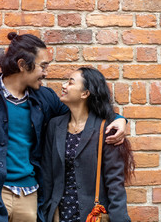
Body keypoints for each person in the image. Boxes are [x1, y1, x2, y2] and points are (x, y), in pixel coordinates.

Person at [0, 33, 127, 222]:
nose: (46, 73)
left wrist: (119, 118)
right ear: (23, 65)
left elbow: (81, 111)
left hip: (30, 196)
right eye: (43, 66)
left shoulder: (44, 98)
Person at [42, 67, 134, 222]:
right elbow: (46, 176)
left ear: (85, 93)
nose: (64, 86)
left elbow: (115, 183)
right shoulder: (54, 125)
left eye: (70, 83)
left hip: (91, 216)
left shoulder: (105, 128)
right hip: (59, 215)